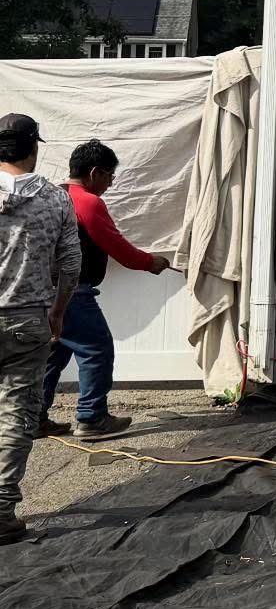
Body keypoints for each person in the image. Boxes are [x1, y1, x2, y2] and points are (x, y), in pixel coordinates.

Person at [41, 140, 173, 442]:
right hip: (73, 292)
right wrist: (148, 262)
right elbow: (115, 244)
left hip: (45, 290)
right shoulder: (86, 202)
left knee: (53, 354)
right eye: (110, 177)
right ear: (95, 172)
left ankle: (33, 418)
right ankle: (91, 418)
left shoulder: (52, 196)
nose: (111, 184)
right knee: (96, 349)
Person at [0, 112, 80, 542]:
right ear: (34, 148)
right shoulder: (55, 198)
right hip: (27, 318)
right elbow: (70, 263)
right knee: (17, 415)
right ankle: (1, 509)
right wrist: (58, 310)